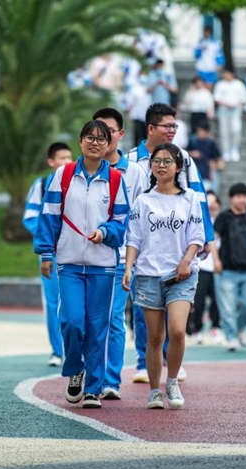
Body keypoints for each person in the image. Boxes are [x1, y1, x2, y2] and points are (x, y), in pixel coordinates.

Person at [34, 120, 129, 409]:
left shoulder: (114, 180)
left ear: (109, 144)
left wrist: (106, 233)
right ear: (80, 141)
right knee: (73, 322)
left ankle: (93, 388)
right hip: (70, 263)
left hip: (103, 265)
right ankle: (75, 369)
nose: (95, 142)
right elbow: (49, 216)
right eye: (90, 137)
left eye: (102, 138)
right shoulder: (62, 175)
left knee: (98, 326)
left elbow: (121, 222)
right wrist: (46, 253)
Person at [127, 102, 214, 383]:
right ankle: (144, 362)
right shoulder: (130, 160)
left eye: (175, 126)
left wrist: (206, 237)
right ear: (150, 128)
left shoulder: (184, 158)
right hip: (144, 248)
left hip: (178, 247)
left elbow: (198, 198)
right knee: (146, 316)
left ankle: (170, 362)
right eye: (167, 126)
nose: (172, 131)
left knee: (175, 323)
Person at [123, 143, 204, 409]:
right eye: (156, 161)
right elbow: (134, 238)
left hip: (182, 274)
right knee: (154, 337)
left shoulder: (190, 197)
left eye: (167, 161)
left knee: (177, 331)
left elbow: (196, 235)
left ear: (178, 167)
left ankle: (172, 381)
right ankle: (155, 390)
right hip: (147, 274)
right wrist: (128, 268)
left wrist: (186, 261)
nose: (161, 165)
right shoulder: (142, 200)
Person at [92, 108, 148, 400]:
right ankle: (90, 376)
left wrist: (134, 257)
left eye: (109, 130)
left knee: (113, 317)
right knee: (88, 319)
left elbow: (142, 216)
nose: (102, 136)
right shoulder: (84, 168)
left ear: (120, 135)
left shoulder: (136, 172)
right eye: (96, 130)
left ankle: (110, 380)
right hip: (86, 256)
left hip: (120, 257)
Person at [24, 142, 73, 367]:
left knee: (74, 301)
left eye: (69, 157)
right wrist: (48, 240)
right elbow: (31, 217)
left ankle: (74, 348)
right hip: (50, 253)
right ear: (51, 161)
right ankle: (57, 350)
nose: (66, 161)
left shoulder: (78, 182)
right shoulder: (41, 184)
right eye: (61, 158)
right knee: (52, 302)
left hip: (74, 252)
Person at [214, 183, 246, 351]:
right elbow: (212, 238)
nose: (242, 199)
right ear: (231, 198)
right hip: (227, 270)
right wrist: (216, 260)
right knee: (227, 308)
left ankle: (239, 328)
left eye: (245, 196)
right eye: (238, 196)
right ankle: (231, 337)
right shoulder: (224, 217)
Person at [188, 191, 222, 344]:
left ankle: (215, 327)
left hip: (218, 268)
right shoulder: (199, 220)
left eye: (214, 203)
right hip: (201, 267)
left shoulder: (220, 222)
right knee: (199, 301)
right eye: (209, 202)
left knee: (217, 300)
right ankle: (197, 329)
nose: (211, 206)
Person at [213, 69, 246, 162]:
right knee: (224, 131)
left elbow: (244, 99)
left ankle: (234, 148)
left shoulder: (239, 84)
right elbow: (216, 98)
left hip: (236, 110)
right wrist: (226, 103)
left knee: (236, 130)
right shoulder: (220, 84)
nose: (226, 75)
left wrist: (236, 104)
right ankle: (226, 150)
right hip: (224, 110)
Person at [187, 121, 222, 193]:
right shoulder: (192, 140)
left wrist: (212, 171)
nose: (202, 133)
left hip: (206, 172)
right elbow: (185, 153)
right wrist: (192, 153)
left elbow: (214, 158)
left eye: (204, 131)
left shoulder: (210, 142)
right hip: (194, 171)